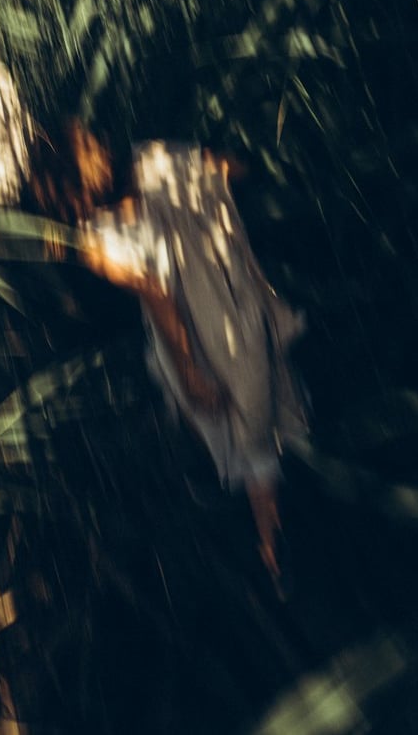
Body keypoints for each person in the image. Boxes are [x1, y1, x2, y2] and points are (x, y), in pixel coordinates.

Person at [83, 140, 311, 593]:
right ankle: (279, 539)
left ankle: (273, 548)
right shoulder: (157, 160)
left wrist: (189, 370)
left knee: (242, 436)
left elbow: (159, 297)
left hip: (199, 338)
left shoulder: (98, 238)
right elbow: (232, 166)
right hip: (238, 308)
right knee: (263, 414)